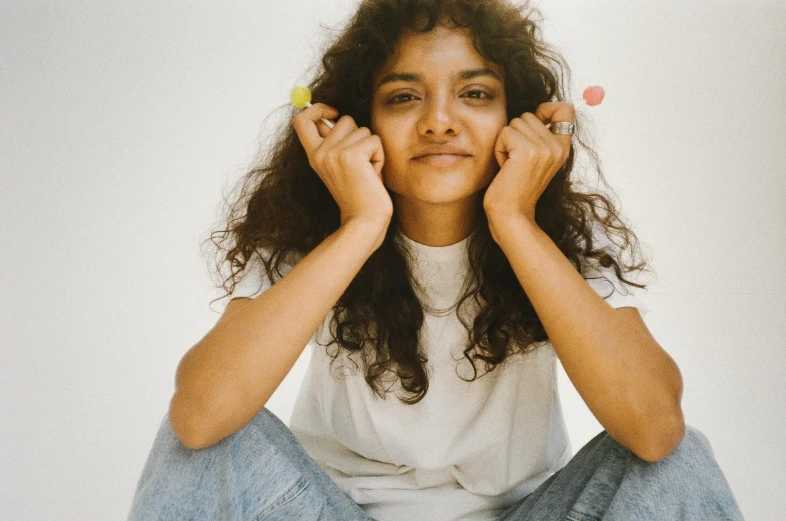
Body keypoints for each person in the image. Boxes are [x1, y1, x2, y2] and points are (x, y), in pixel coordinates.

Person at [127, 0, 745, 519]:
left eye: (475, 94)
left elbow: (655, 428)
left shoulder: (560, 240)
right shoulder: (310, 237)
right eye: (403, 97)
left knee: (682, 458)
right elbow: (198, 418)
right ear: (357, 122)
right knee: (201, 442)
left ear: (519, 119)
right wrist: (360, 225)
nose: (440, 122)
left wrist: (515, 221)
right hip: (335, 508)